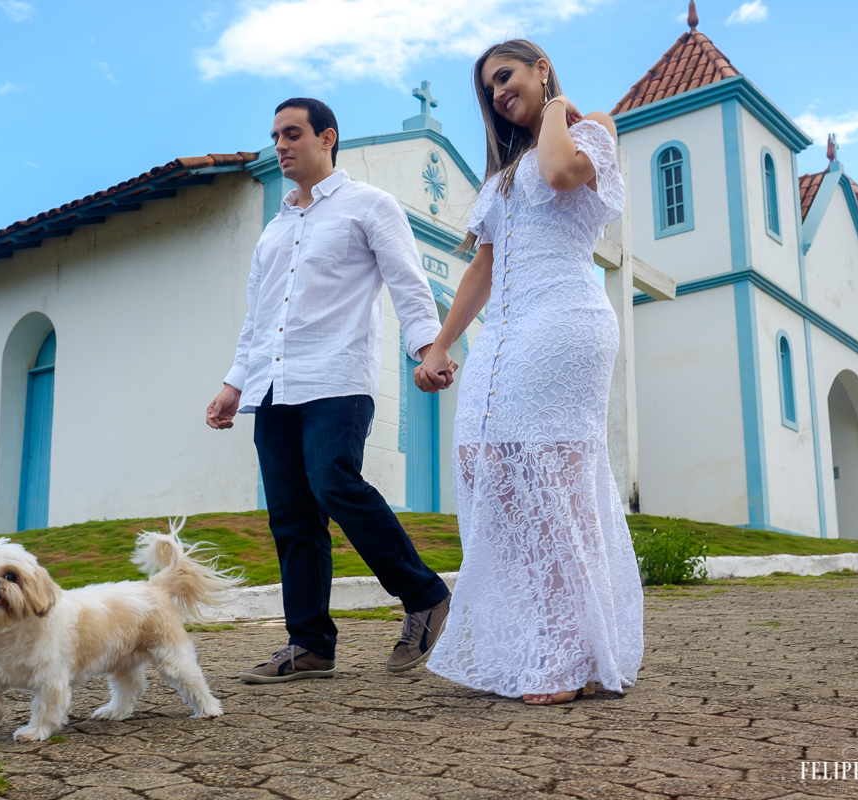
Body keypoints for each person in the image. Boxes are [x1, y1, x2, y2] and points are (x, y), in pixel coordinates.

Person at [414, 41, 644, 705]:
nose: (496, 95)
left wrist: (559, 106)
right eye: (488, 89)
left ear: (541, 67)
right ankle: (531, 638)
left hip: (565, 324)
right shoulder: (502, 179)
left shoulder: (589, 127)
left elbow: (565, 172)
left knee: (558, 486)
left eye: (506, 77)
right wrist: (438, 346)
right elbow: (482, 269)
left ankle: (570, 656)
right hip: (504, 338)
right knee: (493, 471)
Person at [207, 97, 454, 684]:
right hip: (272, 386)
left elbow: (408, 283)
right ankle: (310, 645)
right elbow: (258, 317)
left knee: (333, 481)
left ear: (328, 138)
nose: (281, 145)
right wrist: (234, 384)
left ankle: (424, 595)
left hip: (337, 378)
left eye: (293, 134)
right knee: (291, 516)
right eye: (275, 136)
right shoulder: (274, 230)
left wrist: (430, 348)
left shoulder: (369, 205)